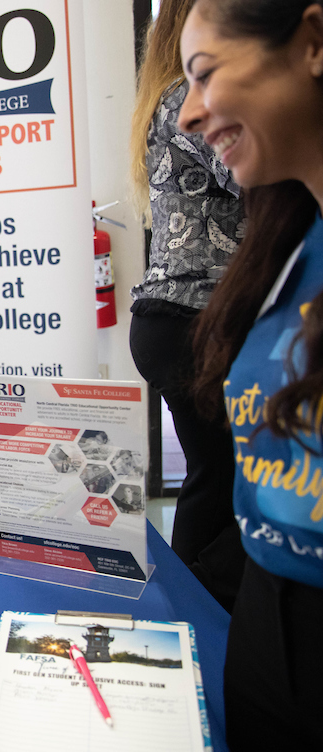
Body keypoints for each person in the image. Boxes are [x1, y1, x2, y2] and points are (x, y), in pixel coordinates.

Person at [179, 0, 323, 744]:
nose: (187, 117)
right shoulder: (288, 244)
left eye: (205, 76)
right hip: (267, 616)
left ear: (313, 42)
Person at [127, 0, 246, 611]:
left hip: (178, 314)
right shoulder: (185, 100)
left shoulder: (165, 96)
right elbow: (248, 176)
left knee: (214, 474)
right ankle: (201, 606)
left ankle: (196, 602)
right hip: (190, 314)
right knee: (222, 478)